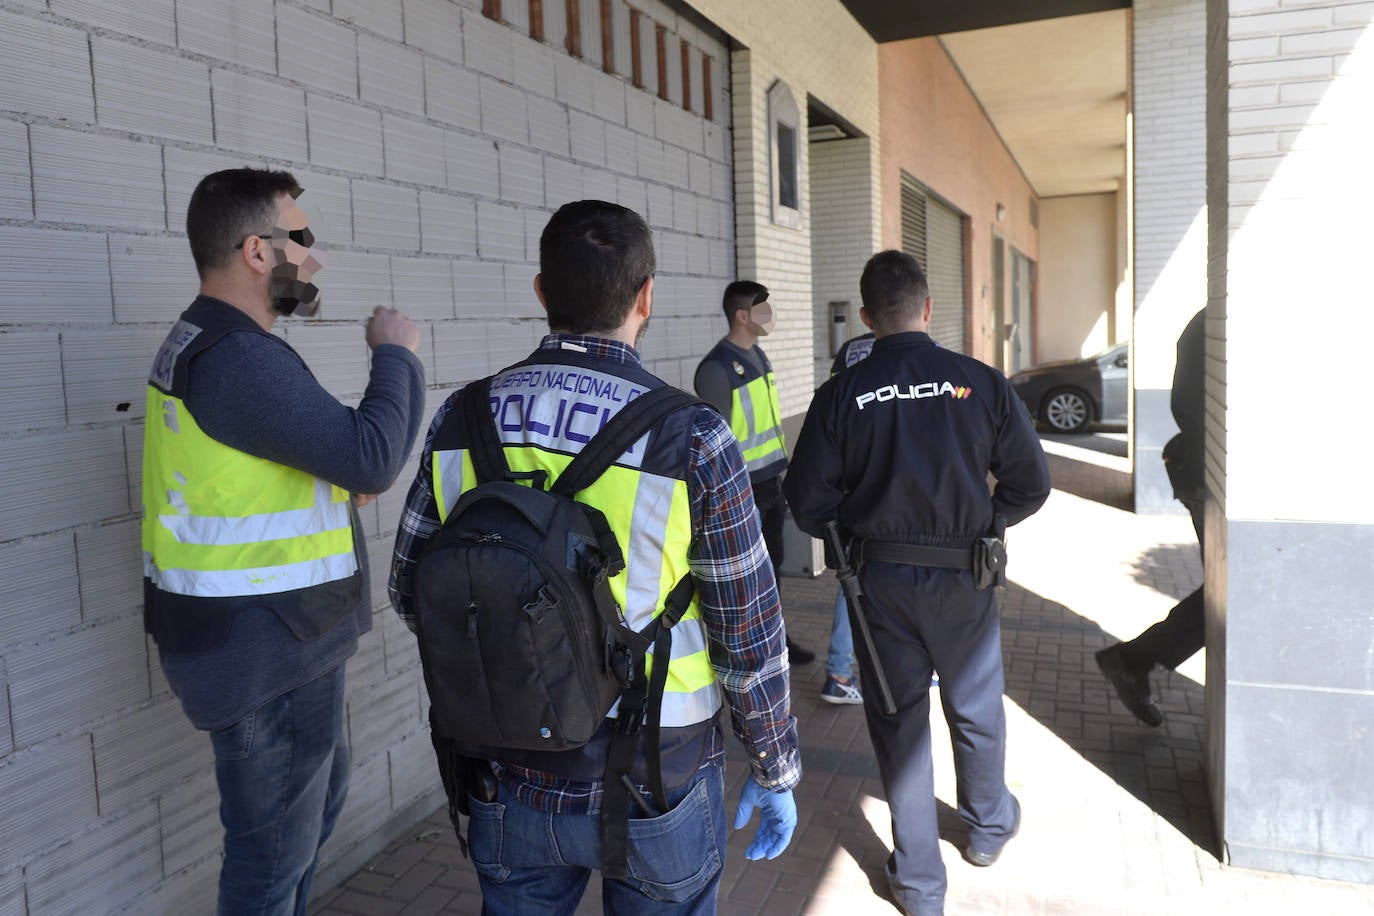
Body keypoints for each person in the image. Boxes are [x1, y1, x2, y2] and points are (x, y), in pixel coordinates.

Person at [389, 200, 800, 914]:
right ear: (646, 295)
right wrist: (774, 762)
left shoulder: (463, 416)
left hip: (505, 763)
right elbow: (748, 629)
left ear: (543, 291)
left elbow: (410, 587)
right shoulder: (691, 437)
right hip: (656, 771)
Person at [141, 168, 426, 915]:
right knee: (269, 868)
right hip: (267, 652)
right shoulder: (237, 358)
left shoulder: (213, 342)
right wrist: (396, 354)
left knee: (298, 835)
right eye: (301, 237)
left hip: (268, 637)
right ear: (257, 252)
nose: (314, 257)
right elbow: (371, 454)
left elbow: (268, 465)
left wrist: (337, 477)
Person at [784, 250, 1050, 916]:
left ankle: (919, 886)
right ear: (928, 309)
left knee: (900, 726)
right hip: (965, 576)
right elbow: (1032, 484)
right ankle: (988, 828)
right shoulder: (980, 383)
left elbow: (807, 501)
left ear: (870, 318)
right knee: (976, 704)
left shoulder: (842, 393)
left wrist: (850, 535)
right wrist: (989, 521)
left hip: (880, 584)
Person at [694, 282, 815, 665]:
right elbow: (716, 443)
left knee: (773, 567)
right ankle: (748, 649)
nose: (770, 315)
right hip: (743, 489)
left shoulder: (758, 354)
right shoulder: (716, 368)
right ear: (742, 316)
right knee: (748, 576)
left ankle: (775, 639)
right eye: (762, 308)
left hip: (770, 482)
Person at [1096, 308, 1206, 727]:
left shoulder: (1212, 317)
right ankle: (1131, 659)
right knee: (1228, 597)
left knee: (1226, 595)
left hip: (1198, 471)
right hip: (1205, 474)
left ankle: (1132, 660)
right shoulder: (1225, 316)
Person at [820, 331, 876, 704]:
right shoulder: (908, 350)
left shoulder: (851, 349)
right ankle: (841, 672)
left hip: (849, 493)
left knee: (850, 581)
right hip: (888, 496)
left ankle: (840, 673)